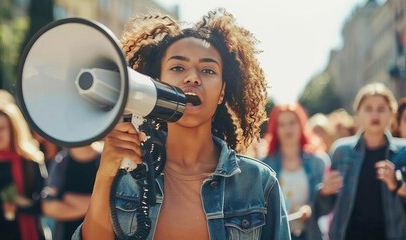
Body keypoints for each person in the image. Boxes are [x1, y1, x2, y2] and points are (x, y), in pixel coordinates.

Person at [73, 8, 290, 240]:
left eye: (208, 70)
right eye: (178, 68)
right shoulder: (126, 175)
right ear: (156, 83)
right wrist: (106, 174)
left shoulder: (258, 182)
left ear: (222, 92)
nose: (192, 78)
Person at [316, 83, 406, 240]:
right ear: (358, 113)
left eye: (381, 109)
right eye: (368, 108)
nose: (375, 114)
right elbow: (325, 206)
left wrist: (396, 184)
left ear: (391, 114)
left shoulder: (403, 151)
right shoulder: (341, 151)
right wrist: (325, 191)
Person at [0, 102, 47, 240]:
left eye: (2, 128)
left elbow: (45, 205)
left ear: (14, 129)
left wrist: (19, 204)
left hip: (22, 234)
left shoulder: (31, 163)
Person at [262, 103, 328, 240]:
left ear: (301, 125)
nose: (288, 128)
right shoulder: (264, 164)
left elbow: (329, 205)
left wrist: (310, 208)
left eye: (292, 122)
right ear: (275, 129)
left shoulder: (318, 161)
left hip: (311, 234)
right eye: (282, 124)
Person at [42, 145, 100, 240]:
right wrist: (93, 207)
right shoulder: (60, 162)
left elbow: (113, 205)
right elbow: (48, 207)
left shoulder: (105, 160)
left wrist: (66, 197)